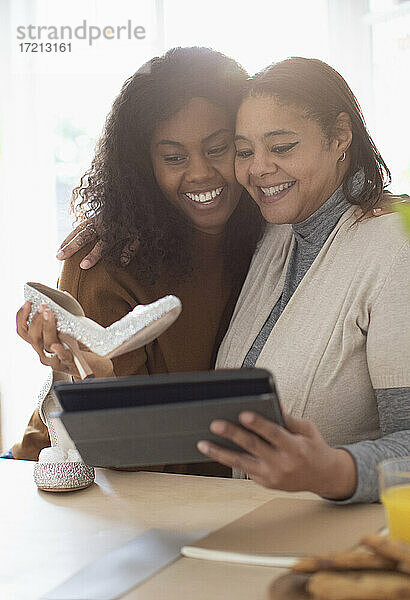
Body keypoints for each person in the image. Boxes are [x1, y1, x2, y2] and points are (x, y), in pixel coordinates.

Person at [11, 47, 265, 471]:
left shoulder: (269, 236)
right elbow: (123, 451)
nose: (201, 173)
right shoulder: (105, 261)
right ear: (142, 165)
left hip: (201, 485)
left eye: (219, 148)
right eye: (173, 158)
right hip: (63, 476)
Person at [194, 57, 410, 503]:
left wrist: (330, 470)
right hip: (251, 528)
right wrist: (106, 227)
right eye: (245, 150)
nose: (258, 169)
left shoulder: (394, 248)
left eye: (283, 147)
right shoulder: (271, 234)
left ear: (340, 137)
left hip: (344, 541)